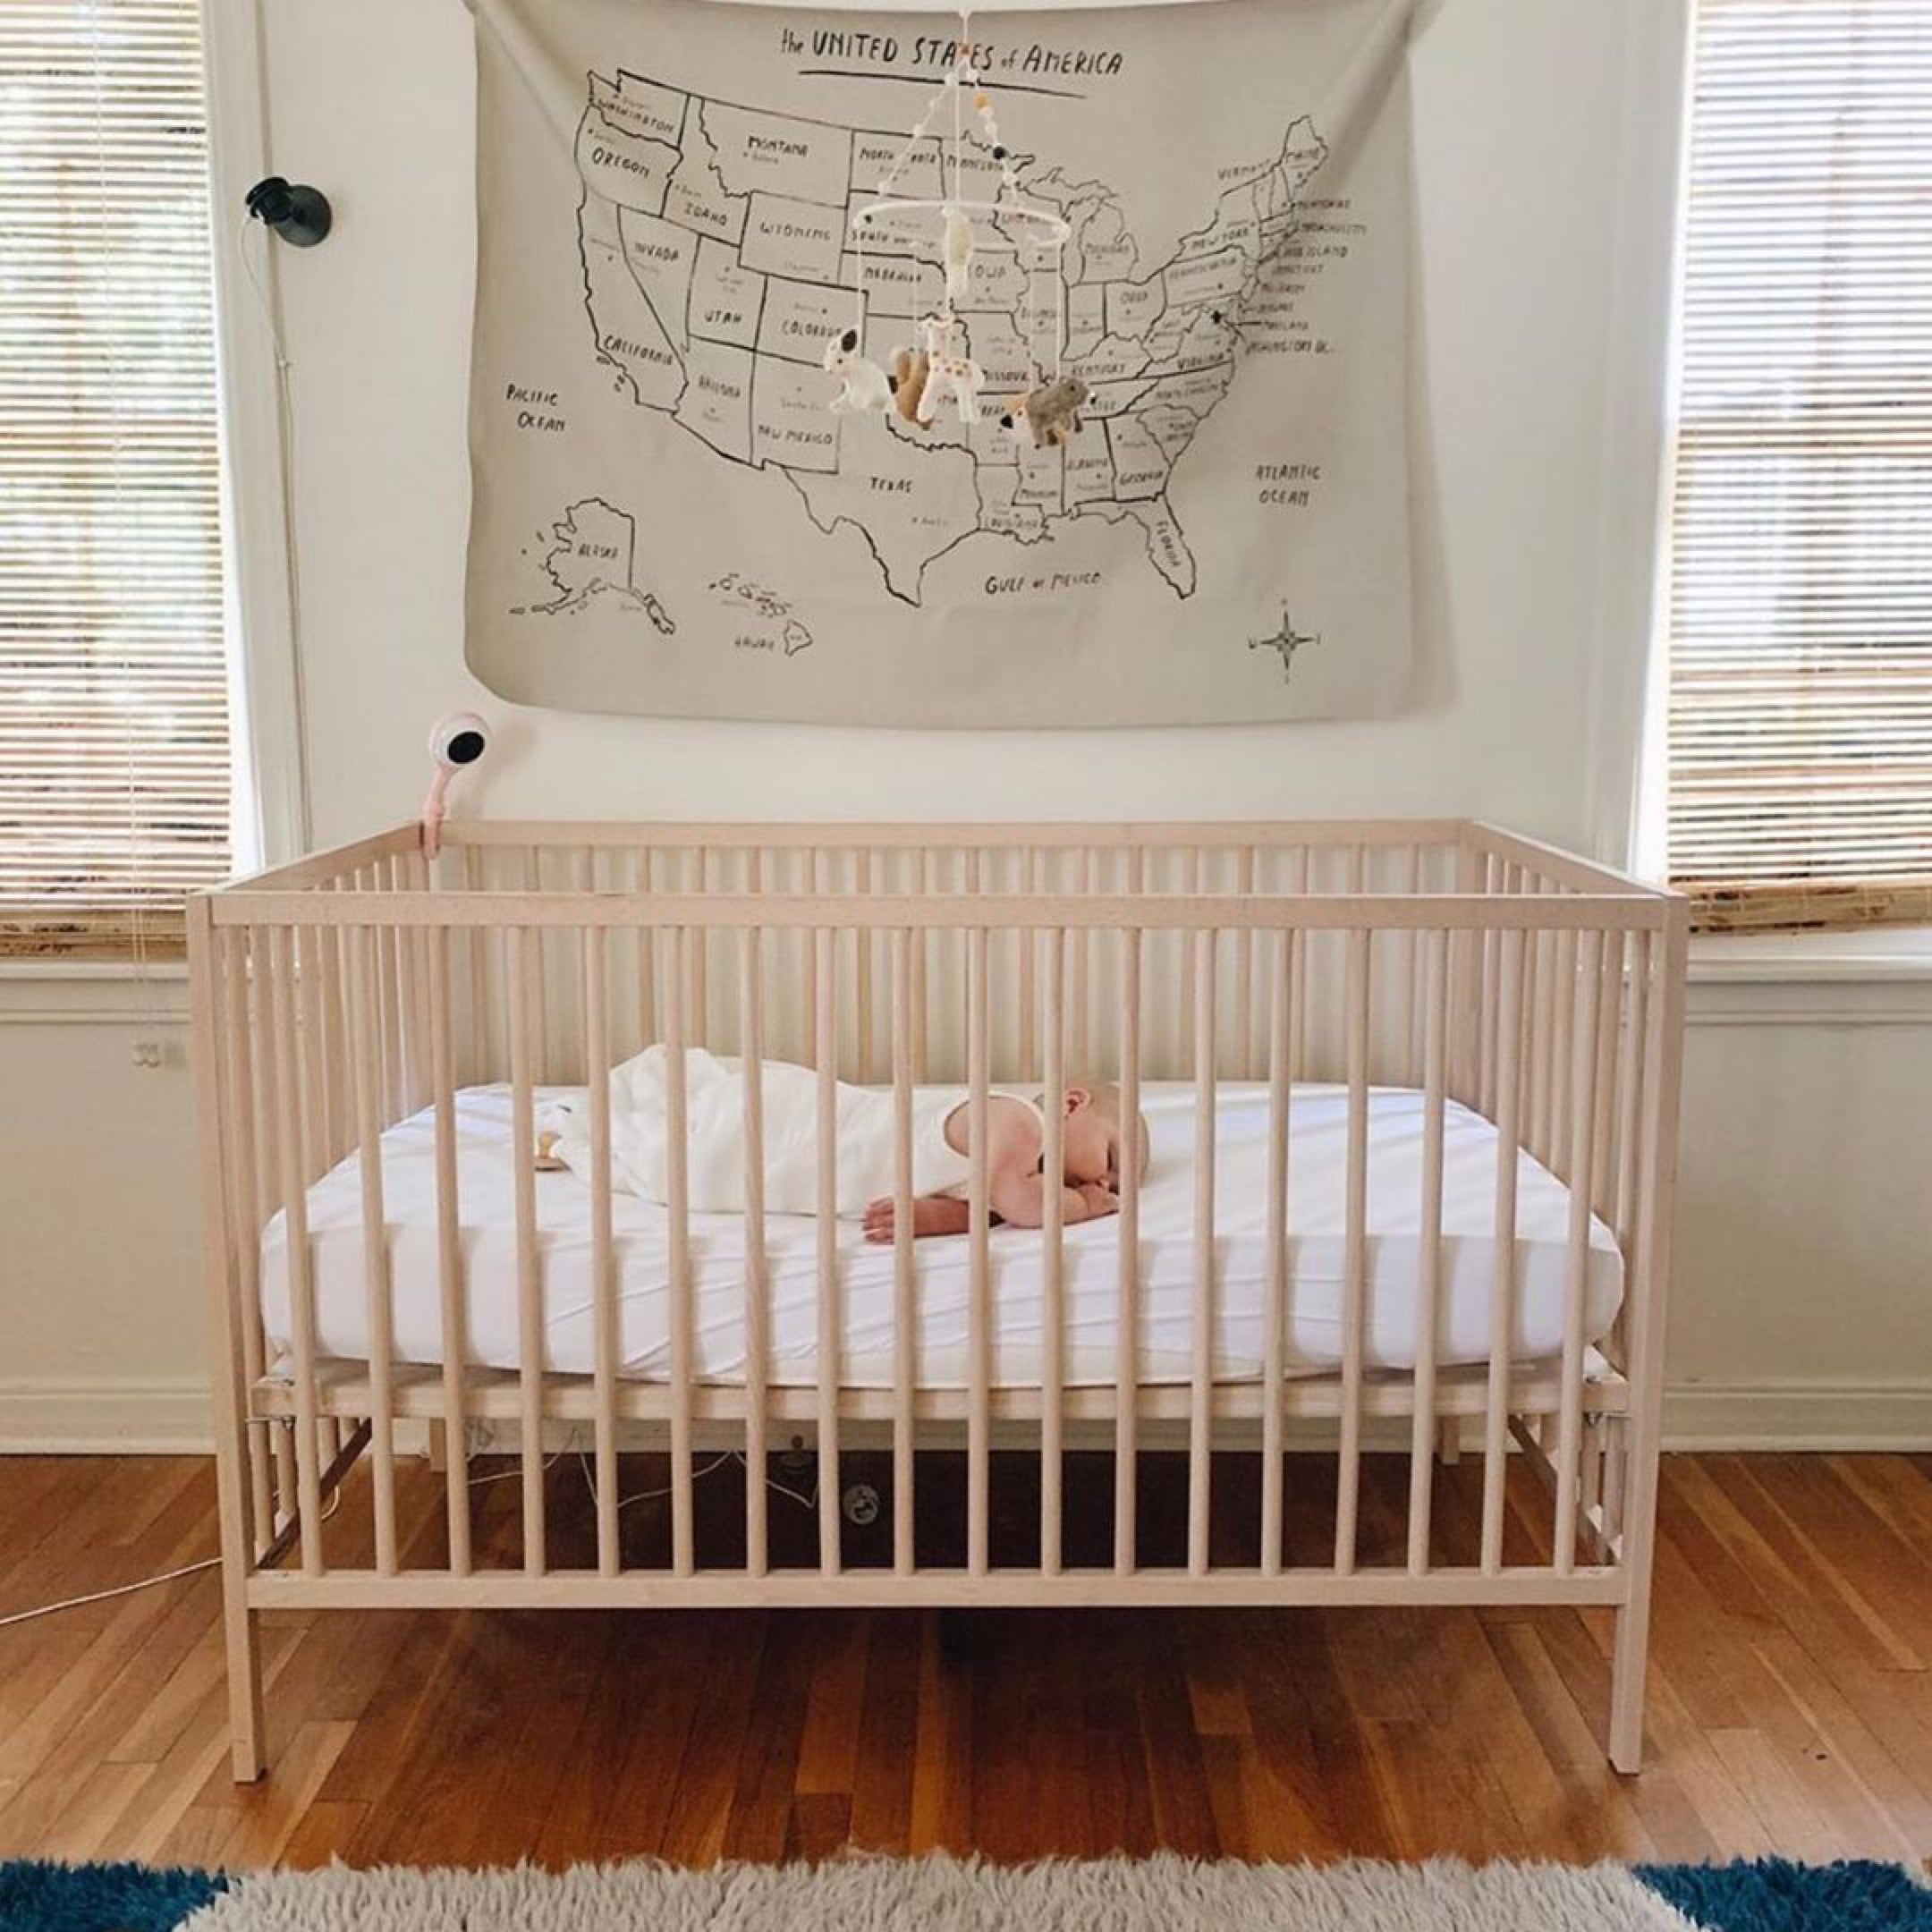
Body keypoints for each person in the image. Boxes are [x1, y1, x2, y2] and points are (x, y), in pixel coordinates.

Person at [536, 1046, 1148, 1243]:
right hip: (813, 1126)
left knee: (701, 1174)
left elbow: (981, 1208)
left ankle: (577, 1140)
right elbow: (1021, 1206)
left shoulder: (1003, 1174)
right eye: (1112, 1161)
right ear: (1071, 1103)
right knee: (706, 1145)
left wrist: (926, 1219)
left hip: (822, 1170)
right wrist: (1086, 1209)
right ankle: (578, 1130)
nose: (1107, 1184)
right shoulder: (1018, 1124)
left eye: (1115, 1187)